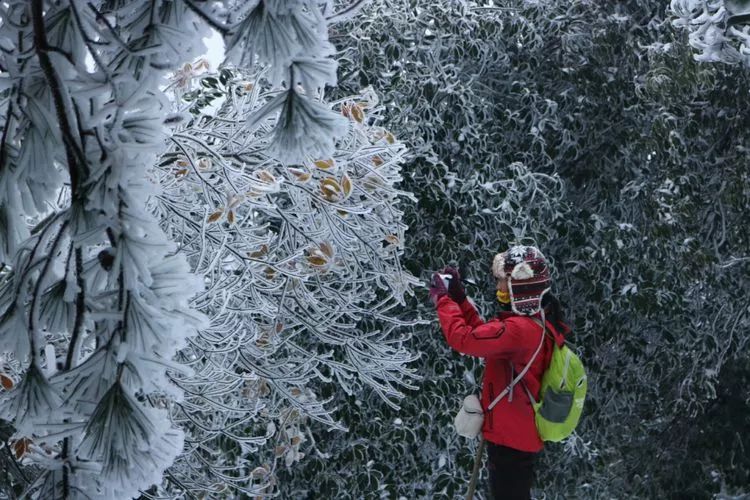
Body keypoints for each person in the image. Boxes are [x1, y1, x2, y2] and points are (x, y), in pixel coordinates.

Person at [429, 245, 570, 500]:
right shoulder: (532, 324)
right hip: (515, 436)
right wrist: (460, 300)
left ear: (522, 286)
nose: (499, 289)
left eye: (504, 282)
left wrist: (444, 300)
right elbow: (484, 337)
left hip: (511, 442)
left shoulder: (520, 331)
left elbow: (464, 339)